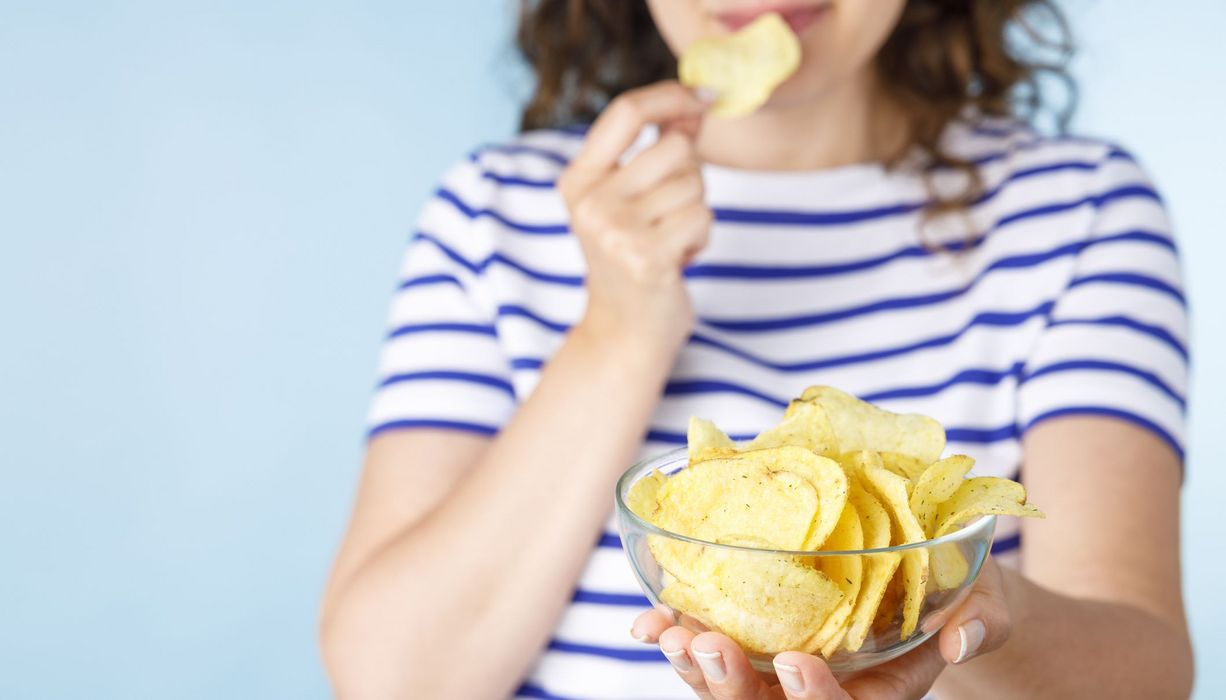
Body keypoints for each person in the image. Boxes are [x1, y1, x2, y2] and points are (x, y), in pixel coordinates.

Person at [319, 1, 1194, 698]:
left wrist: (952, 607)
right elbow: (393, 677)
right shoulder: (496, 213)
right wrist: (620, 333)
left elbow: (1147, 673)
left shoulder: (1077, 212)